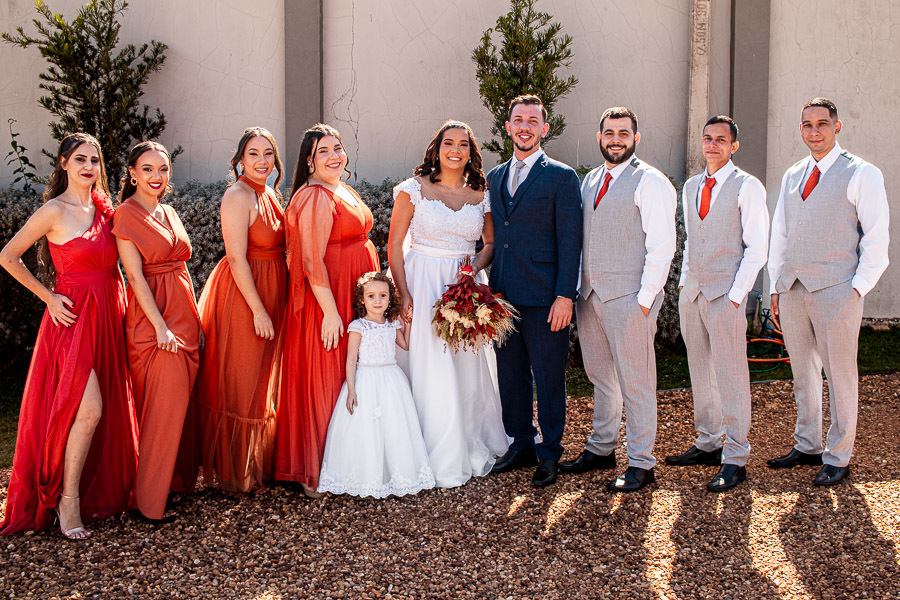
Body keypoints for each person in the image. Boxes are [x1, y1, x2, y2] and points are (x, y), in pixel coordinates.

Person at [0, 133, 139, 539]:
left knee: (104, 408)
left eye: (95, 160)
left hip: (110, 315)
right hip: (73, 320)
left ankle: (94, 489)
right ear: (63, 164)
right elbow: (8, 256)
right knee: (89, 408)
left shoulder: (106, 211)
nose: (88, 167)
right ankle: (68, 500)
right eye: (80, 159)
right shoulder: (53, 211)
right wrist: (48, 297)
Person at [767, 98, 889, 486]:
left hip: (838, 289)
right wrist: (775, 285)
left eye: (822, 123)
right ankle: (807, 444)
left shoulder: (861, 173)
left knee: (840, 374)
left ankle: (839, 454)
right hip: (794, 289)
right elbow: (781, 235)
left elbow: (876, 237)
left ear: (837, 127)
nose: (814, 131)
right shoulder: (792, 176)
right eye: (807, 125)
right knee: (803, 372)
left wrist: (857, 289)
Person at [388, 120, 509, 488]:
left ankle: (467, 441)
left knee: (466, 367)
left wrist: (472, 272)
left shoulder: (481, 193)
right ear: (436, 149)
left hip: (465, 285)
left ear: (471, 153)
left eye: (463, 145)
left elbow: (489, 243)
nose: (455, 150)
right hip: (422, 282)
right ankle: (430, 451)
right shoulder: (413, 190)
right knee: (430, 365)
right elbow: (394, 245)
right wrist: (403, 293)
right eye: (448, 144)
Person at [562, 107, 676, 493]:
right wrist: (579, 286)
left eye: (623, 133)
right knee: (600, 377)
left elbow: (663, 246)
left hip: (630, 298)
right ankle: (602, 447)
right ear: (600, 138)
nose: (615, 139)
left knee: (637, 380)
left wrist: (645, 301)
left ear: (636, 138)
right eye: (609, 132)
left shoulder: (651, 182)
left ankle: (642, 462)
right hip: (591, 295)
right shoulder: (591, 180)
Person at [273, 124, 380, 498]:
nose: (334, 156)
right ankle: (312, 468)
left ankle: (345, 461)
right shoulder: (315, 196)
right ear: (309, 161)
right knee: (325, 376)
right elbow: (310, 260)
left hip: (349, 289)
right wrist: (332, 314)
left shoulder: (339, 187)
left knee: (347, 373)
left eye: (338, 148)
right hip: (328, 298)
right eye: (323, 152)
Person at [665, 116, 769, 492]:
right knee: (700, 370)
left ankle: (736, 455)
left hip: (727, 293)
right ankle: (708, 441)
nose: (712, 145)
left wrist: (737, 295)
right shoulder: (692, 185)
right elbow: (692, 240)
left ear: (733, 145)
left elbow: (757, 248)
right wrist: (682, 285)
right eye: (707, 139)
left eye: (720, 140)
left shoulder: (748, 186)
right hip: (693, 292)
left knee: (731, 374)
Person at [486, 95, 583, 488]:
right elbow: (494, 239)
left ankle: (550, 452)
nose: (524, 126)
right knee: (510, 376)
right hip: (504, 296)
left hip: (547, 298)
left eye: (532, 120)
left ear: (545, 128)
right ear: (507, 127)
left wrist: (566, 296)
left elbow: (570, 240)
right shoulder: (493, 178)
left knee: (547, 377)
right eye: (517, 119)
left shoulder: (561, 177)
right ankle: (521, 442)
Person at [194, 127, 288, 493]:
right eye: (254, 154)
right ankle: (235, 472)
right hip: (245, 296)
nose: (262, 161)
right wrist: (259, 310)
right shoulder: (238, 195)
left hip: (271, 290)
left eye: (268, 154)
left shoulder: (270, 194)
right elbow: (235, 257)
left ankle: (253, 464)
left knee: (262, 381)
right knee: (242, 379)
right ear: (240, 160)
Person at [112, 141, 203, 522]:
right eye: (147, 169)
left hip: (184, 317)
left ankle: (174, 484)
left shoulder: (167, 210)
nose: (156, 177)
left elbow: (181, 269)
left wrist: (195, 319)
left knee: (181, 406)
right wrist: (161, 327)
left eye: (163, 169)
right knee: (161, 410)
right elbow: (134, 276)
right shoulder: (126, 215)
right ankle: (147, 504)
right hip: (155, 324)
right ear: (132, 173)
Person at [318, 272, 435, 497]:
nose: (378, 301)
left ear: (390, 298)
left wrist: (407, 324)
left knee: (394, 426)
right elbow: (351, 359)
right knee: (365, 428)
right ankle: (366, 478)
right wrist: (351, 390)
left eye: (383, 295)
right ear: (362, 299)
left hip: (391, 379)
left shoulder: (391, 324)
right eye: (371, 296)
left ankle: (396, 475)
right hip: (366, 380)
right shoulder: (358, 326)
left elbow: (406, 345)